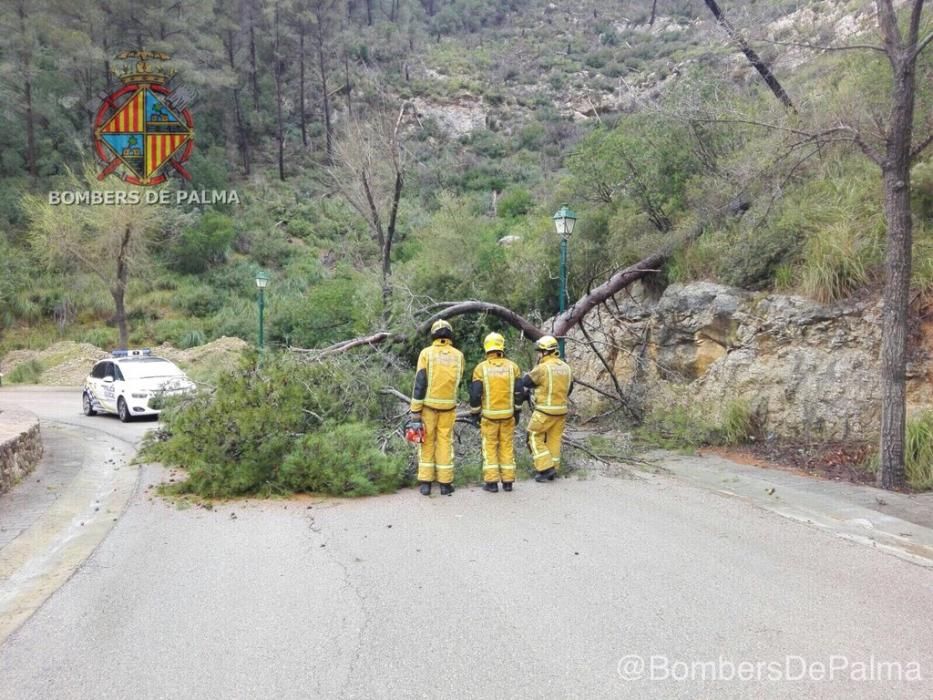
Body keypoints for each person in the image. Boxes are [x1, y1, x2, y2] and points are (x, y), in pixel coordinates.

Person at [410, 319, 465, 496]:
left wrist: (415, 410)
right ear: (449, 335)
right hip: (448, 408)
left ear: (433, 335)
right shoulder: (458, 355)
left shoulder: (426, 354)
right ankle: (445, 484)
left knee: (426, 443)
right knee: (445, 443)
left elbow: (420, 383)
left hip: (428, 408)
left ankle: (425, 484)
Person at [469, 332, 524, 493]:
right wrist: (518, 411)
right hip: (508, 416)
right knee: (507, 447)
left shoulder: (481, 368)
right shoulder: (512, 367)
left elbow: (475, 394)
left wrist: (475, 413)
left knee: (490, 447)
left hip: (489, 417)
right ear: (502, 346)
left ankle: (491, 483)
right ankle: (508, 482)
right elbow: (519, 392)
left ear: (487, 348)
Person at [521, 335, 573, 482]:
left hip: (544, 411)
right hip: (561, 411)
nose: (538, 354)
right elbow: (569, 388)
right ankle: (553, 469)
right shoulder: (566, 368)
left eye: (540, 351)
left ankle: (545, 468)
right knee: (554, 440)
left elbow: (526, 381)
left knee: (533, 436)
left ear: (545, 352)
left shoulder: (542, 368)